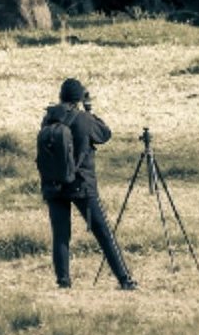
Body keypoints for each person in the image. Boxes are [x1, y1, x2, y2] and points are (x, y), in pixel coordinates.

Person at [40, 78, 137, 290]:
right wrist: (89, 109)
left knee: (61, 235)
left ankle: (63, 282)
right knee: (104, 233)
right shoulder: (84, 119)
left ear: (61, 96)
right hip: (81, 185)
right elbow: (105, 134)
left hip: (53, 185)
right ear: (79, 98)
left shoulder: (48, 118)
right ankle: (124, 279)